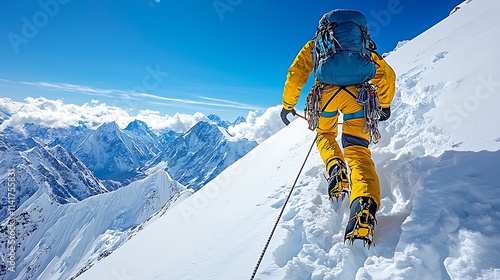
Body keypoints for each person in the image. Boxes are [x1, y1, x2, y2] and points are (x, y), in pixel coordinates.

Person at [280, 9, 396, 246]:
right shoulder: (363, 48)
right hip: (360, 97)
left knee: (325, 133)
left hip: (325, 96)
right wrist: (384, 104)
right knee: (357, 150)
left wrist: (288, 104)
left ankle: (335, 166)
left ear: (324, 28)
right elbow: (387, 76)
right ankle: (363, 203)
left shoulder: (316, 46)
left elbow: (296, 75)